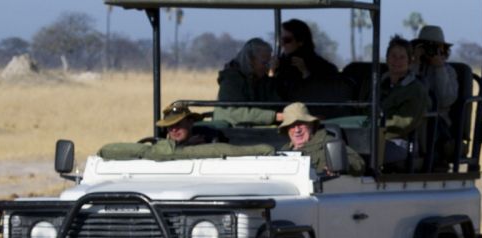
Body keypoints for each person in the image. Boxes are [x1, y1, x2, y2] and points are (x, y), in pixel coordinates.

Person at [98, 103, 274, 160]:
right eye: (169, 126)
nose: (174, 129)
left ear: (190, 122)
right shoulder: (161, 147)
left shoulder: (208, 141)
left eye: (179, 124)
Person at [360, 36, 431, 169]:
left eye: (402, 57)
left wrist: (376, 125)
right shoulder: (378, 84)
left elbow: (404, 123)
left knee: (361, 156)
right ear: (387, 59)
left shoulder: (416, 89)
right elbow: (365, 109)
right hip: (372, 137)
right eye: (393, 56)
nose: (397, 60)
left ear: (410, 61)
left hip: (401, 142)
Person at [278, 102, 364, 176]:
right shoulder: (284, 151)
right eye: (292, 126)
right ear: (287, 130)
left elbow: (359, 164)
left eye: (301, 124)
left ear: (311, 125)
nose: (297, 130)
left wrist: (337, 165)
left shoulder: (329, 143)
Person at [214, 38, 283, 126]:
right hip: (231, 131)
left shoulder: (262, 79)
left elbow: (275, 103)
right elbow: (235, 114)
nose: (267, 67)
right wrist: (274, 116)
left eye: (269, 63)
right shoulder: (231, 80)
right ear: (250, 60)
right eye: (264, 63)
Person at [272, 19, 339, 101]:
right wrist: (273, 71)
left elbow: (324, 92)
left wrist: (306, 73)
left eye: (287, 40)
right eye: (281, 40)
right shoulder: (280, 63)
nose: (282, 44)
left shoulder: (319, 65)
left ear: (300, 41)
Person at [411, 25, 458, 126]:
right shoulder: (411, 67)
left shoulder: (449, 71)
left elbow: (446, 100)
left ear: (443, 50)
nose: (429, 50)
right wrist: (416, 63)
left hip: (437, 121)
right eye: (425, 47)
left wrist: (439, 68)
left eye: (434, 47)